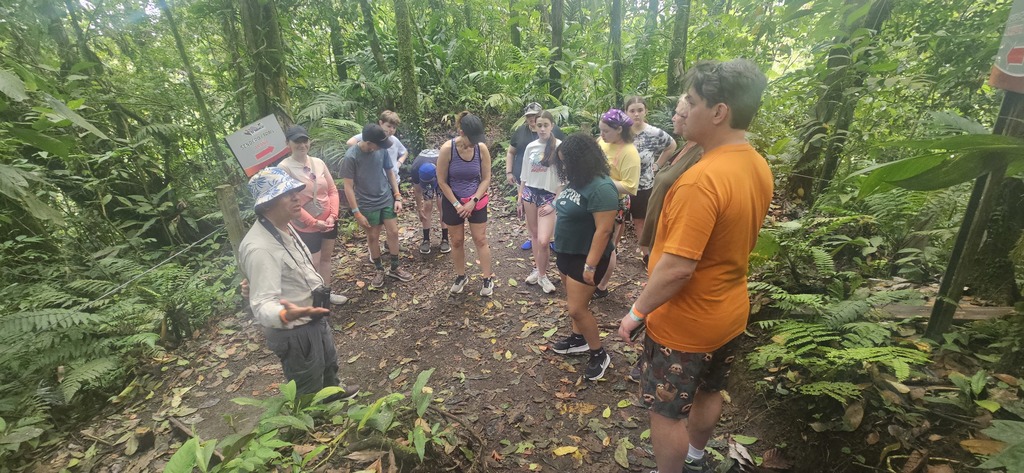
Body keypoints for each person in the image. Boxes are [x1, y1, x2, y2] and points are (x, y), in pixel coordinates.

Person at [616, 59, 772, 473]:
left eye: (694, 101)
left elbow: (678, 268)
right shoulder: (756, 165)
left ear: (719, 112)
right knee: (709, 390)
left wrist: (636, 313)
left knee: (666, 412)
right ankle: (696, 460)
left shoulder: (702, 179)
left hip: (685, 324)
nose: (685, 107)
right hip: (730, 312)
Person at [238, 167, 359, 399]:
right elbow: (262, 304)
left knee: (327, 362)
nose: (297, 197)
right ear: (267, 204)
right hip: (294, 329)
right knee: (307, 381)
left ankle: (333, 392)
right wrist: (286, 314)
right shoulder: (260, 248)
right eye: (287, 193)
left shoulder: (285, 225)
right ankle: (311, 425)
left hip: (312, 314)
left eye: (295, 191)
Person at [548, 133, 618, 381]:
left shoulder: (602, 187)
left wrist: (591, 265)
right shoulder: (577, 181)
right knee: (575, 305)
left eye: (567, 162)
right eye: (562, 162)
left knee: (577, 309)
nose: (564, 167)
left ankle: (599, 353)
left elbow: (604, 230)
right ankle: (579, 339)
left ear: (582, 160)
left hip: (586, 258)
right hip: (566, 253)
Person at [276, 125, 347, 305]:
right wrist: (313, 222)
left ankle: (327, 294)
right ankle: (312, 300)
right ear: (288, 144)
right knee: (312, 263)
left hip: (328, 221)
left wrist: (333, 215)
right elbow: (288, 202)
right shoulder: (284, 168)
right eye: (297, 141)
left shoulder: (318, 163)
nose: (302, 145)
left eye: (304, 140)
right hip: (305, 225)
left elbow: (332, 190)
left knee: (325, 258)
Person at [340, 124, 414, 288]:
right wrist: (356, 212)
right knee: (373, 236)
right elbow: (348, 187)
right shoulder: (351, 157)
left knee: (393, 232)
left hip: (385, 198)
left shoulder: (381, 150)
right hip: (367, 203)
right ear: (368, 142)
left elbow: (390, 172)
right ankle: (379, 269)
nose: (380, 147)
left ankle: (395, 267)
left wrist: (397, 196)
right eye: (378, 144)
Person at [437, 112, 494, 296]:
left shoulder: (481, 149)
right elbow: (441, 181)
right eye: (472, 138)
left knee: (480, 239)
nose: (475, 143)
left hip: (475, 200)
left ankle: (487, 278)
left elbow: (486, 179)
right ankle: (461, 276)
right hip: (453, 200)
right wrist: (456, 204)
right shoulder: (448, 149)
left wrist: (473, 201)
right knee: (457, 241)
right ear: (461, 132)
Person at [504, 102, 566, 250]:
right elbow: (511, 152)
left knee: (549, 218)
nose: (532, 119)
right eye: (529, 116)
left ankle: (550, 239)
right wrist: (509, 172)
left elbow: (564, 170)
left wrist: (557, 198)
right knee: (531, 220)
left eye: (534, 115)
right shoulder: (521, 132)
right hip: (527, 183)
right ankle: (533, 240)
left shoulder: (556, 137)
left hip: (550, 187)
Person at [624, 96, 678, 263]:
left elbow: (671, 146)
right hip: (621, 185)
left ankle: (647, 255)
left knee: (641, 221)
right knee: (615, 221)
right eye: (632, 111)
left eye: (640, 110)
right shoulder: (621, 132)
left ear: (645, 111)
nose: (636, 114)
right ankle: (609, 255)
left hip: (643, 185)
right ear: (626, 113)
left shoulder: (654, 133)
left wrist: (657, 165)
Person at [593, 108, 640, 299]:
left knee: (609, 245)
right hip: (596, 200)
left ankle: (602, 286)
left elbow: (630, 187)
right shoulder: (602, 142)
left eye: (606, 131)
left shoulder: (629, 152)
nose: (601, 135)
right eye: (600, 130)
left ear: (619, 130)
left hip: (615, 204)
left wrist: (601, 182)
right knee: (595, 241)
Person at [518, 111, 562, 294]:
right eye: (539, 125)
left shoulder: (559, 146)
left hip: (548, 196)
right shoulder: (531, 147)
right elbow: (524, 175)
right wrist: (520, 197)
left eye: (546, 125)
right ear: (534, 126)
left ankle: (544, 276)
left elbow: (563, 179)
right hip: (530, 194)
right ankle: (538, 270)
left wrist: (554, 203)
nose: (542, 129)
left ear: (552, 126)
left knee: (544, 240)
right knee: (535, 235)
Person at [346, 110, 409, 181]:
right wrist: (364, 155)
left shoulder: (394, 140)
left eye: (394, 127)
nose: (391, 130)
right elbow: (350, 142)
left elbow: (404, 152)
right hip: (377, 179)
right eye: (389, 126)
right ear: (381, 123)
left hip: (393, 179)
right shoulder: (372, 135)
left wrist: (398, 163)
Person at [409, 149, 451, 254]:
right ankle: (426, 239)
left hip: (440, 178)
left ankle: (445, 238)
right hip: (427, 176)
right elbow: (417, 190)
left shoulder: (444, 164)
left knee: (442, 203)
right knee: (427, 205)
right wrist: (419, 209)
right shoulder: (415, 168)